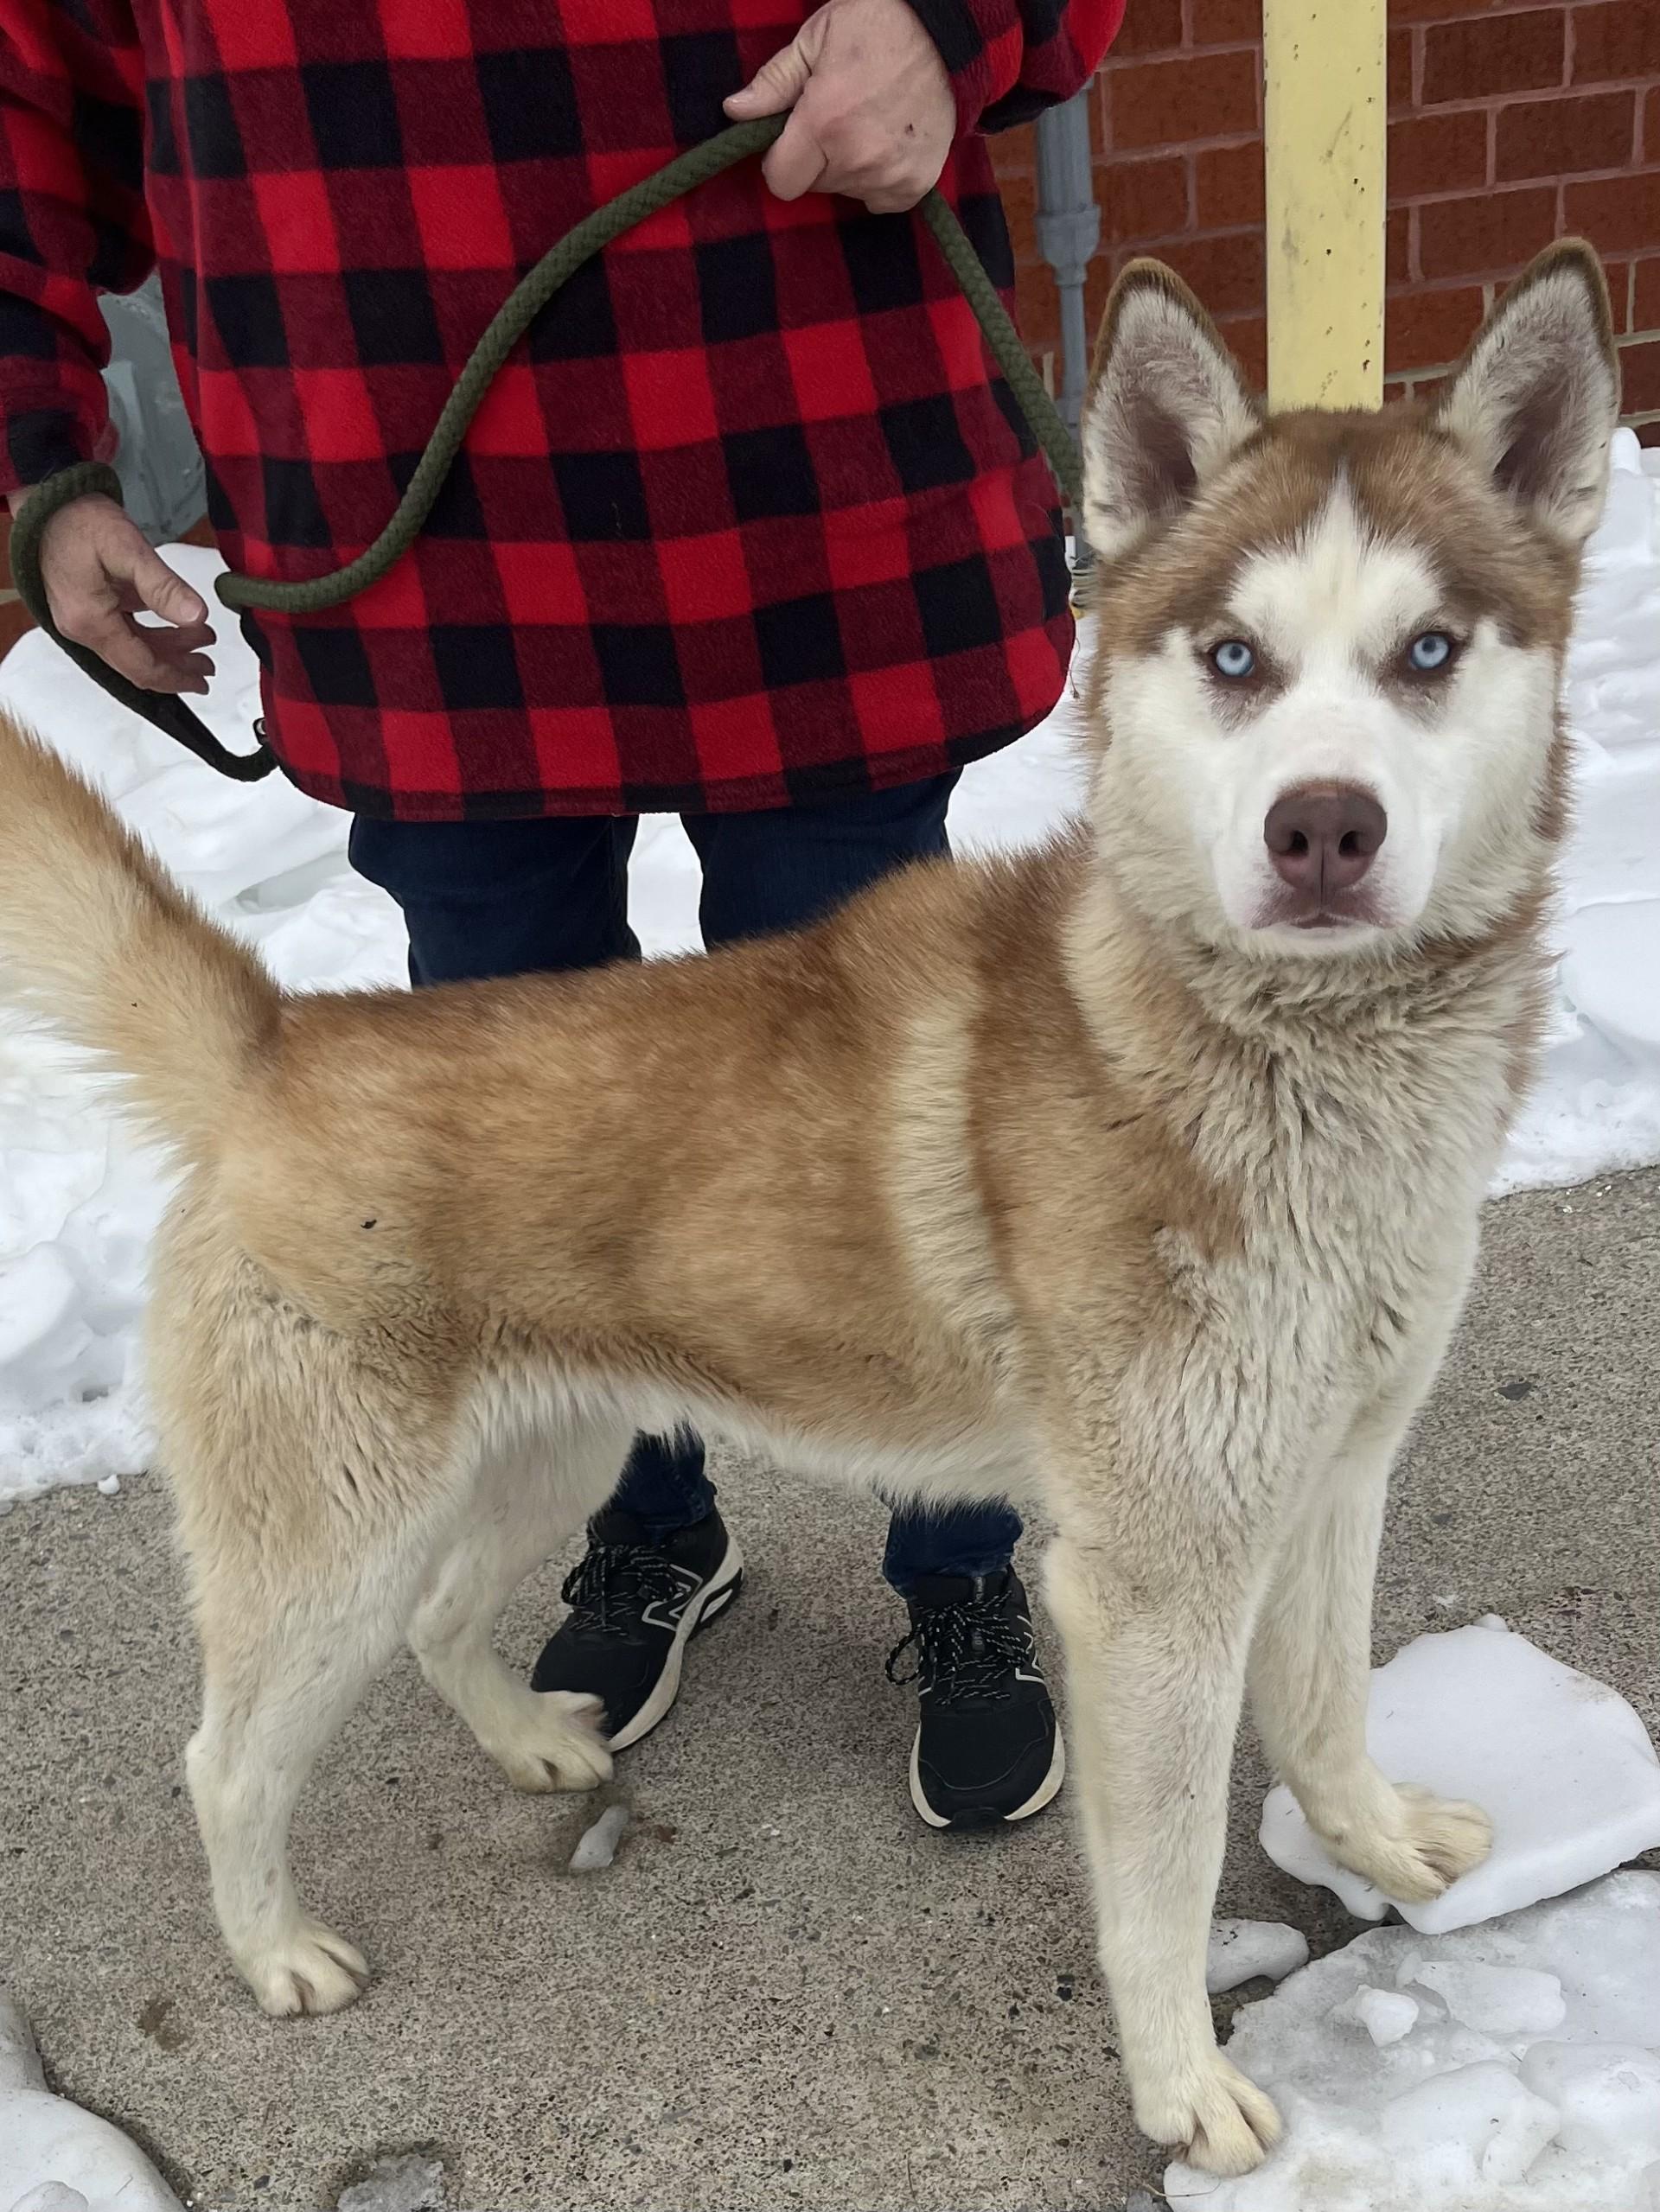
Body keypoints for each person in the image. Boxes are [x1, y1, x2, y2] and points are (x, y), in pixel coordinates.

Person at [0, 0, 1120, 1828]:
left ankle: (958, 1555)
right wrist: (42, 459)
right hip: (407, 515)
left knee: (890, 1130)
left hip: (812, 447)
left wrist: (949, 30)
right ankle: (644, 1523)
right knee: (522, 1165)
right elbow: (26, 91)